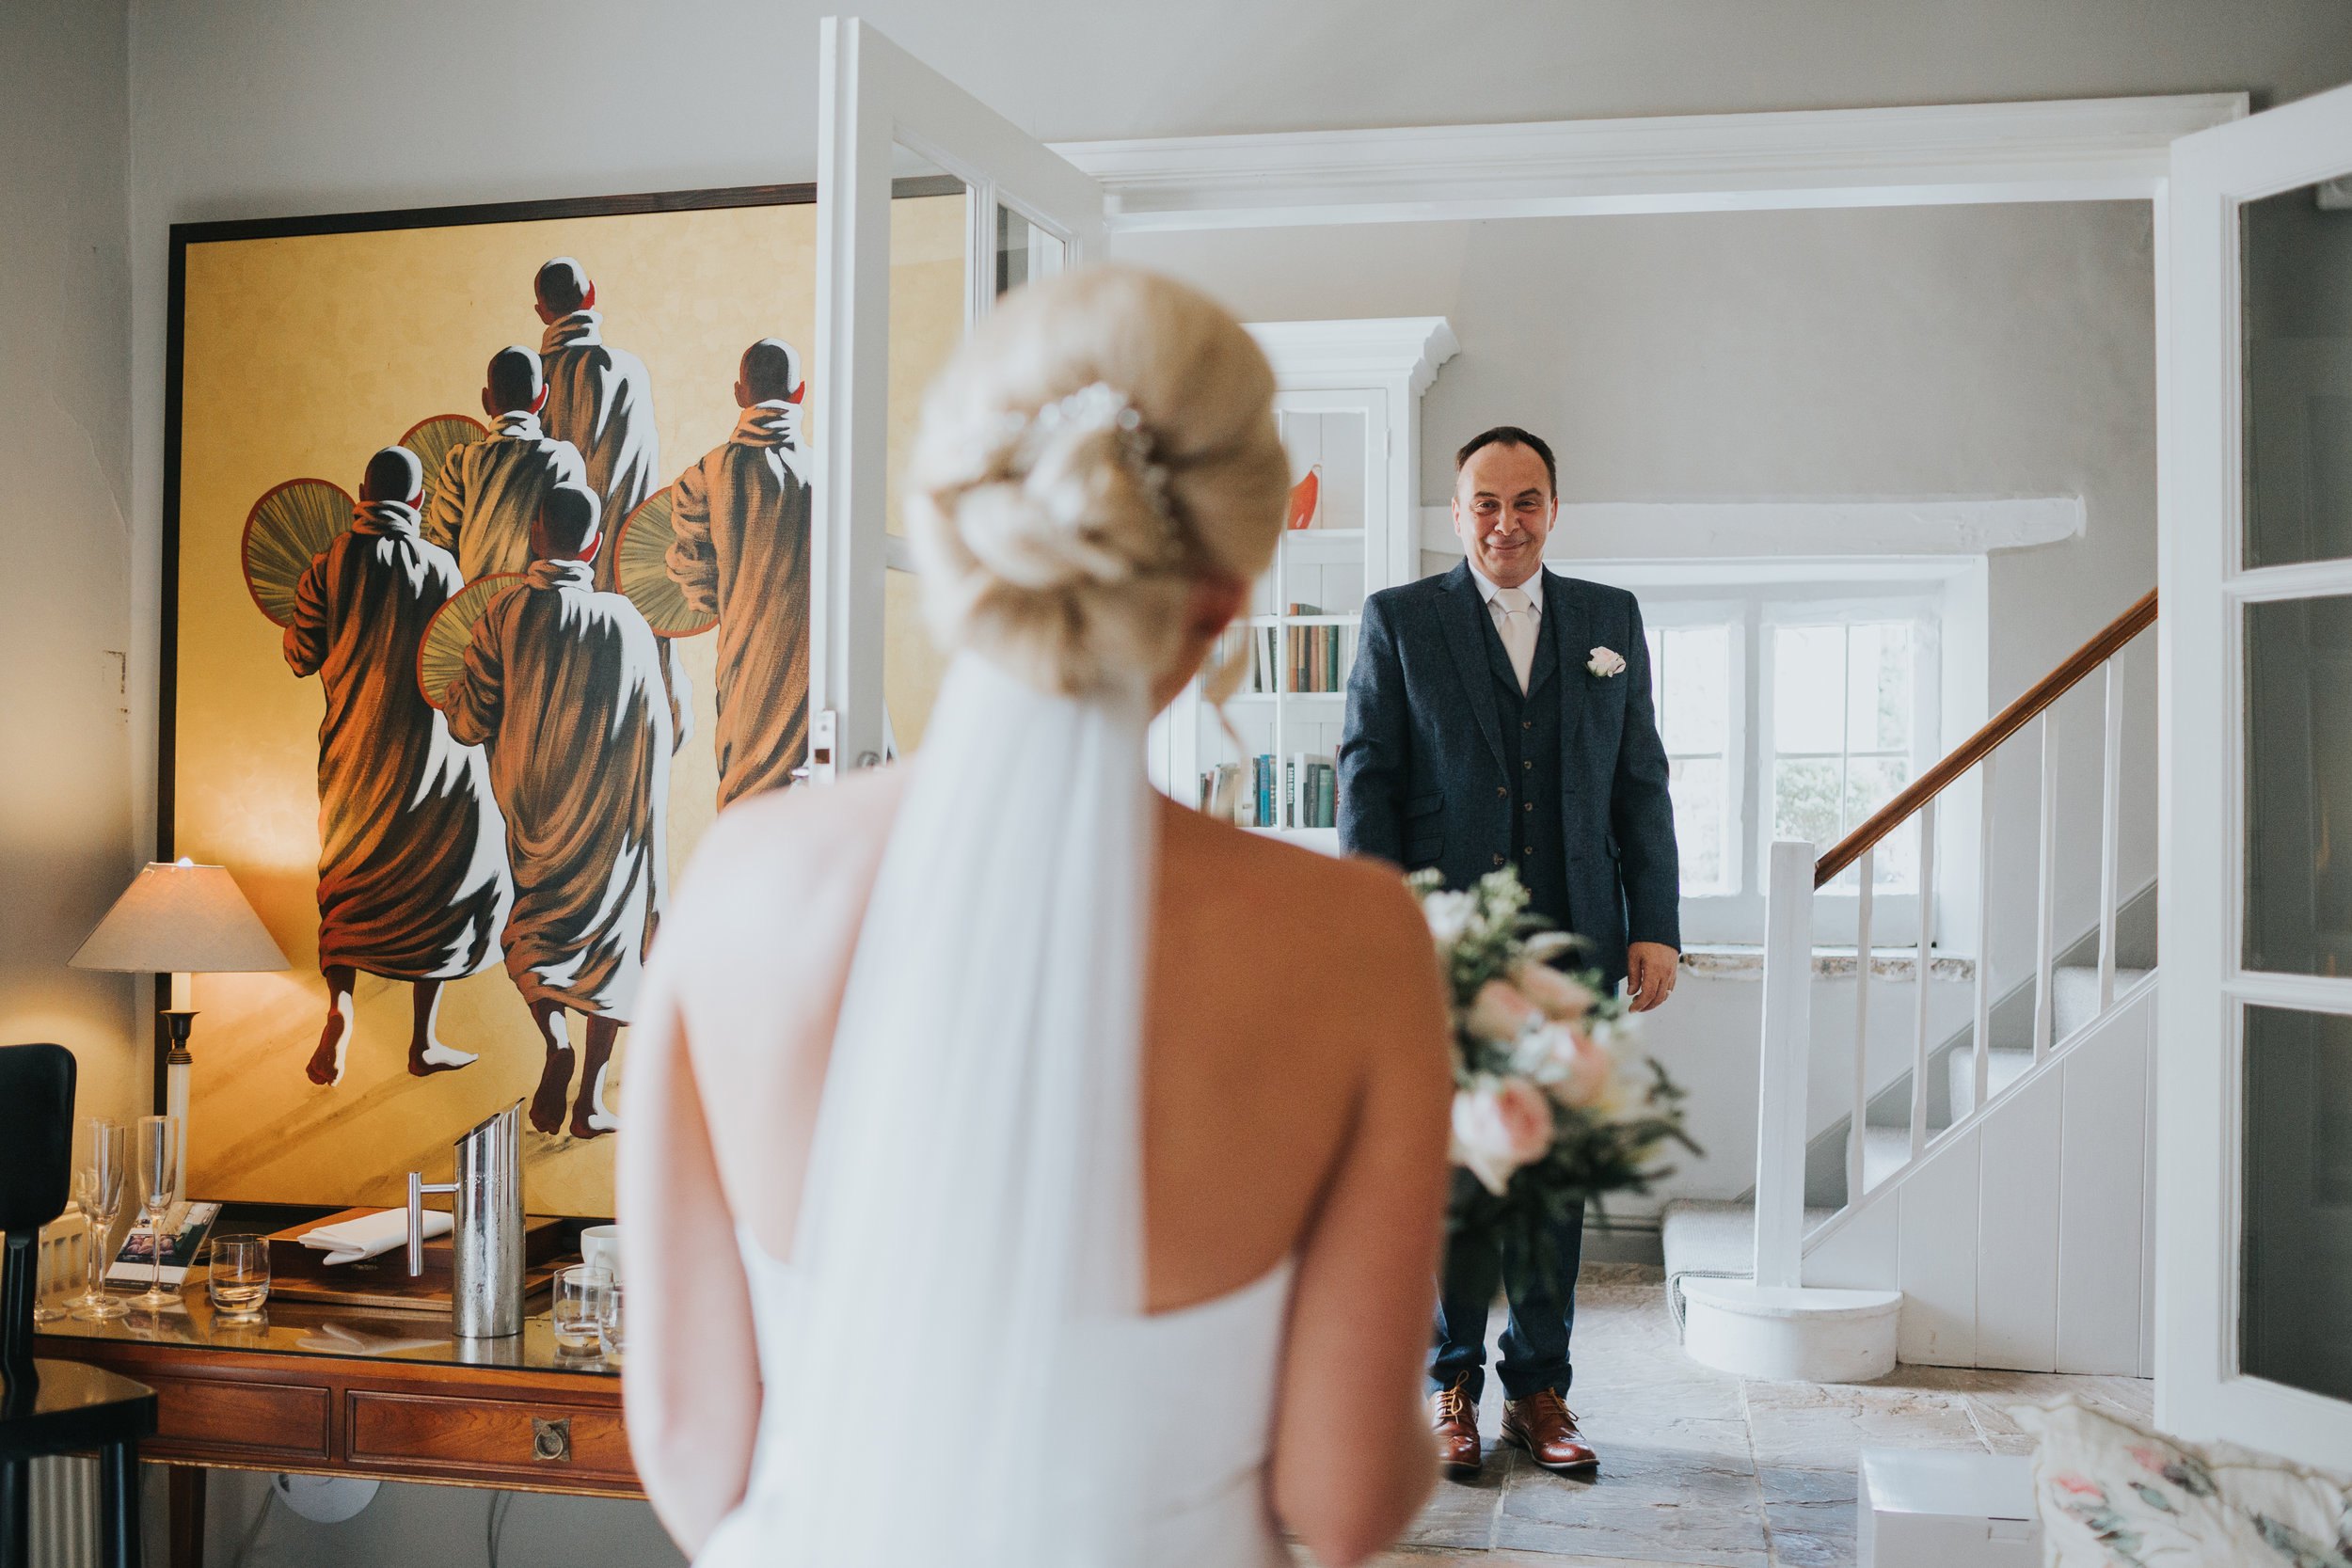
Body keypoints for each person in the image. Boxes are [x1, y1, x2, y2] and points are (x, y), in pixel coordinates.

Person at [616, 267, 1453, 1568]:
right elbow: (1342, 1496)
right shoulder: (1354, 941)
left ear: (955, 544)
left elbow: (686, 1443)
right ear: (1225, 602)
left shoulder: (736, 878)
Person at [1337, 425, 1681, 1483]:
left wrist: (1654, 918)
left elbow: (1639, 783)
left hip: (1576, 942)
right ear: (1455, 514)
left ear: (1553, 509)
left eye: (1525, 501)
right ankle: (1451, 1385)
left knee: (1549, 1175)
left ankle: (1539, 1387)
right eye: (1485, 503)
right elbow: (1369, 779)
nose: (1505, 522)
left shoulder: (1608, 619)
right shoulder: (1400, 621)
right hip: (1447, 946)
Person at [443, 483, 680, 1140]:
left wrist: (449, 697)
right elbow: (660, 728)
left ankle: (555, 1041)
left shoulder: (504, 614)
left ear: (534, 536)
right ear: (596, 544)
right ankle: (593, 1098)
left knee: (532, 938)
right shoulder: (628, 622)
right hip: (612, 824)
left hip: (538, 818)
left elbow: (469, 721)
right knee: (613, 952)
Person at [283, 446, 512, 1087]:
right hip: (430, 762)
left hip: (354, 759)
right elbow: (459, 661)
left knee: (347, 886)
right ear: (416, 504)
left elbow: (300, 655)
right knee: (443, 880)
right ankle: (424, 1037)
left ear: (362, 490)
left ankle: (339, 1007)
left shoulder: (327, 564)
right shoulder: (442, 566)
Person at [665, 338, 812, 809]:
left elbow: (695, 580)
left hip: (744, 672)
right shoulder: (828, 473)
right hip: (819, 676)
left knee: (749, 805)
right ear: (800, 392)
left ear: (738, 393)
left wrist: (730, 602)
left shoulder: (704, 474)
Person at [533, 256, 660, 584]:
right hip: (621, 575)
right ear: (591, 295)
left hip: (547, 586)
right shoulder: (631, 373)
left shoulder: (529, 379)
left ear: (541, 312)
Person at [423, 344, 588, 582]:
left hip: (472, 607)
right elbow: (570, 550)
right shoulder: (563, 461)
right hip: (538, 607)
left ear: (486, 400)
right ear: (542, 397)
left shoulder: (461, 461)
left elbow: (442, 546)